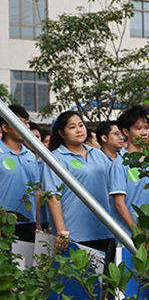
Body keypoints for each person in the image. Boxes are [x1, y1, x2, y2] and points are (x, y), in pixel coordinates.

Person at [43, 111, 117, 262]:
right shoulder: (55, 158)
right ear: (61, 133)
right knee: (76, 282)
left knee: (102, 282)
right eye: (72, 127)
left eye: (81, 125)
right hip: (74, 233)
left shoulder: (98, 154)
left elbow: (113, 187)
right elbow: (53, 196)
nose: (79, 130)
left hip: (103, 229)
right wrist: (61, 230)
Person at [108, 105, 149, 231]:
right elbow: (118, 203)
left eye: (146, 128)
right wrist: (137, 232)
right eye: (138, 128)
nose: (144, 132)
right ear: (126, 132)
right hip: (129, 237)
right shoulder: (120, 163)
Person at [1, 104, 41, 242]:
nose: (25, 127)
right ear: (5, 127)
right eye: (19, 123)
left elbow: (36, 190)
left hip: (28, 222)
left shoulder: (30, 155)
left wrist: (38, 223)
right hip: (3, 224)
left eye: (26, 123)